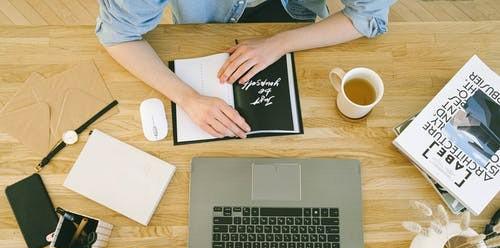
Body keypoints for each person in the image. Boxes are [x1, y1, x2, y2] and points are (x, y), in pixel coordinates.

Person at [96, 0, 393, 139]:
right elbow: (118, 35)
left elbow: (368, 16)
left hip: (297, 23)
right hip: (199, 29)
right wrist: (187, 98)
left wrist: (280, 43)